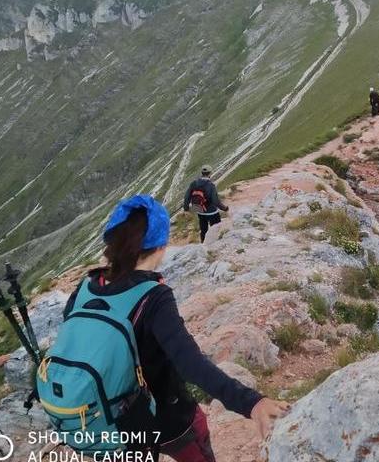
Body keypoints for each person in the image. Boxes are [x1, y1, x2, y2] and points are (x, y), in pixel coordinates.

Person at [62, 196, 288, 461]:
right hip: (169, 418)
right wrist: (251, 402)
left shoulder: (87, 286)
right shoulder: (154, 296)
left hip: (112, 421)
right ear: (161, 245)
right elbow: (190, 364)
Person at [184, 166, 229, 243]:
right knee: (216, 228)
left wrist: (186, 208)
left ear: (202, 173)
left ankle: (203, 243)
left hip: (198, 208)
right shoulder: (211, 185)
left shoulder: (194, 183)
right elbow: (215, 201)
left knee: (203, 229)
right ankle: (216, 243)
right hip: (211, 211)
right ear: (210, 173)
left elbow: (187, 196)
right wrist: (224, 208)